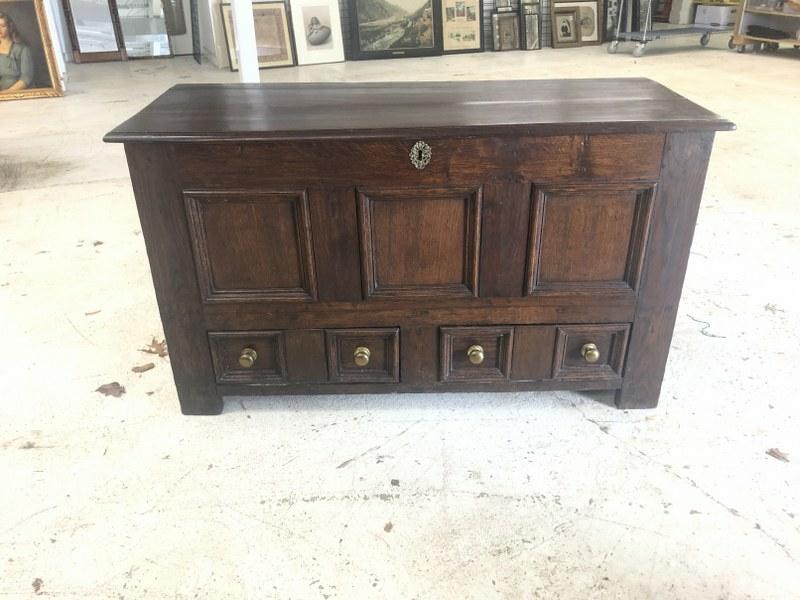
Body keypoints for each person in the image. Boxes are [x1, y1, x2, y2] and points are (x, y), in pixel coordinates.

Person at [0, 11, 34, 93]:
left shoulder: (22, 49)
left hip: (19, 95)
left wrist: (5, 94)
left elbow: (26, 78)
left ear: (9, 27)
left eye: (3, 26)